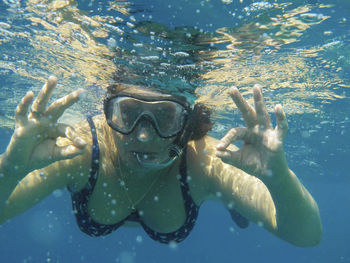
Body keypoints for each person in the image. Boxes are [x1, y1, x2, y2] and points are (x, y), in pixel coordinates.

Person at [0, 76, 322, 246]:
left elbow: (306, 235)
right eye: (127, 113)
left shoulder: (207, 160)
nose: (143, 136)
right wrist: (12, 165)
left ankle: (232, 202)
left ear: (186, 122)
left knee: (234, 194)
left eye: (165, 117)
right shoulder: (81, 148)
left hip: (201, 176)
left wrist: (277, 178)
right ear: (108, 111)